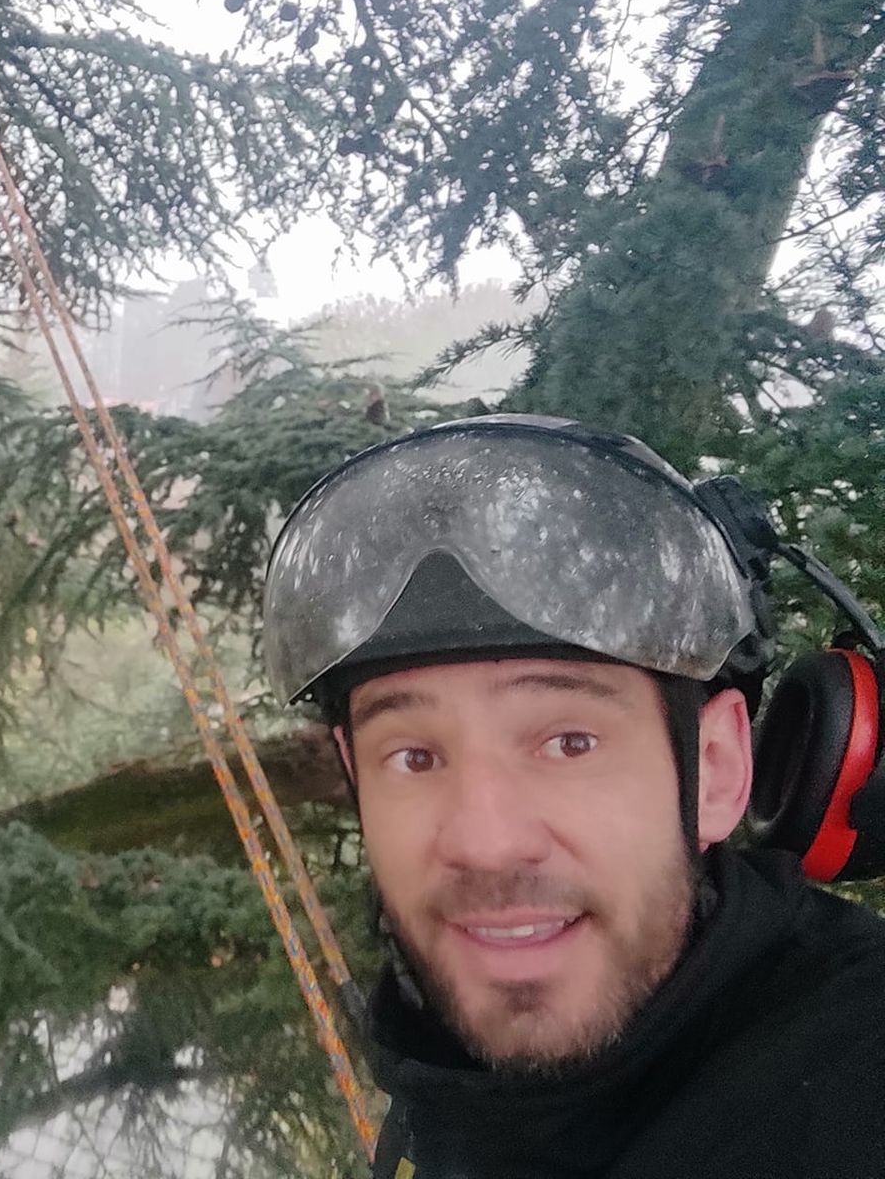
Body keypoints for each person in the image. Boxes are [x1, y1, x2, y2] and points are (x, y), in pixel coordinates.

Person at [259, 413, 885, 1178]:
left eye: (569, 743)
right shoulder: (441, 1078)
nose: (484, 841)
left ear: (716, 771)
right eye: (415, 756)